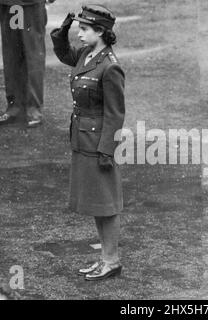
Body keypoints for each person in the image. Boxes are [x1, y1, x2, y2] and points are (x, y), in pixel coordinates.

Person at [50, 5, 125, 280]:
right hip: (82, 139)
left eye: (84, 29)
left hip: (98, 145)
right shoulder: (86, 55)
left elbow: (116, 114)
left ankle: (112, 261)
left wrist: (107, 150)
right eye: (79, 29)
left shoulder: (110, 67)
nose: (80, 34)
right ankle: (106, 258)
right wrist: (66, 25)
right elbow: (62, 52)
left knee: (107, 203)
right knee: (96, 202)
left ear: (101, 32)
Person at [0, 0, 55, 127]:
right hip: (7, 3)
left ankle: (34, 109)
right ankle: (14, 107)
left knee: (33, 55)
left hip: (32, 4)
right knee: (11, 56)